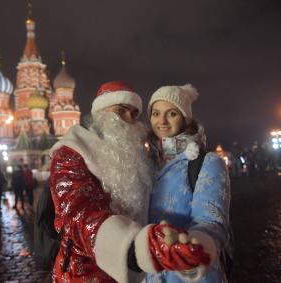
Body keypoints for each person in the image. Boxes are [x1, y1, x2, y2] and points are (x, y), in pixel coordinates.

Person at [49, 81, 211, 283]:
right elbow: (78, 214)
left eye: (134, 114)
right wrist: (138, 248)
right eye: (120, 111)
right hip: (86, 274)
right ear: (100, 114)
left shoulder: (137, 156)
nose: (129, 120)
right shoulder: (71, 153)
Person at [146, 84, 231, 282]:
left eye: (172, 113)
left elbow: (212, 223)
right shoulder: (147, 165)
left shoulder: (206, 163)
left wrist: (192, 250)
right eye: (156, 113)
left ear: (185, 118)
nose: (162, 121)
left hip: (190, 276)